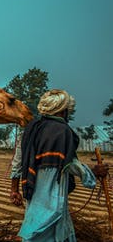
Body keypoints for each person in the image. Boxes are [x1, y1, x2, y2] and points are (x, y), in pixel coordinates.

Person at [9, 89, 109, 242]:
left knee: (40, 222)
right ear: (63, 111)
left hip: (33, 187)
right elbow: (69, 164)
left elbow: (18, 160)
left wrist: (14, 189)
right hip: (53, 189)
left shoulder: (31, 128)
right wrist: (92, 172)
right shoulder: (62, 131)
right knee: (43, 225)